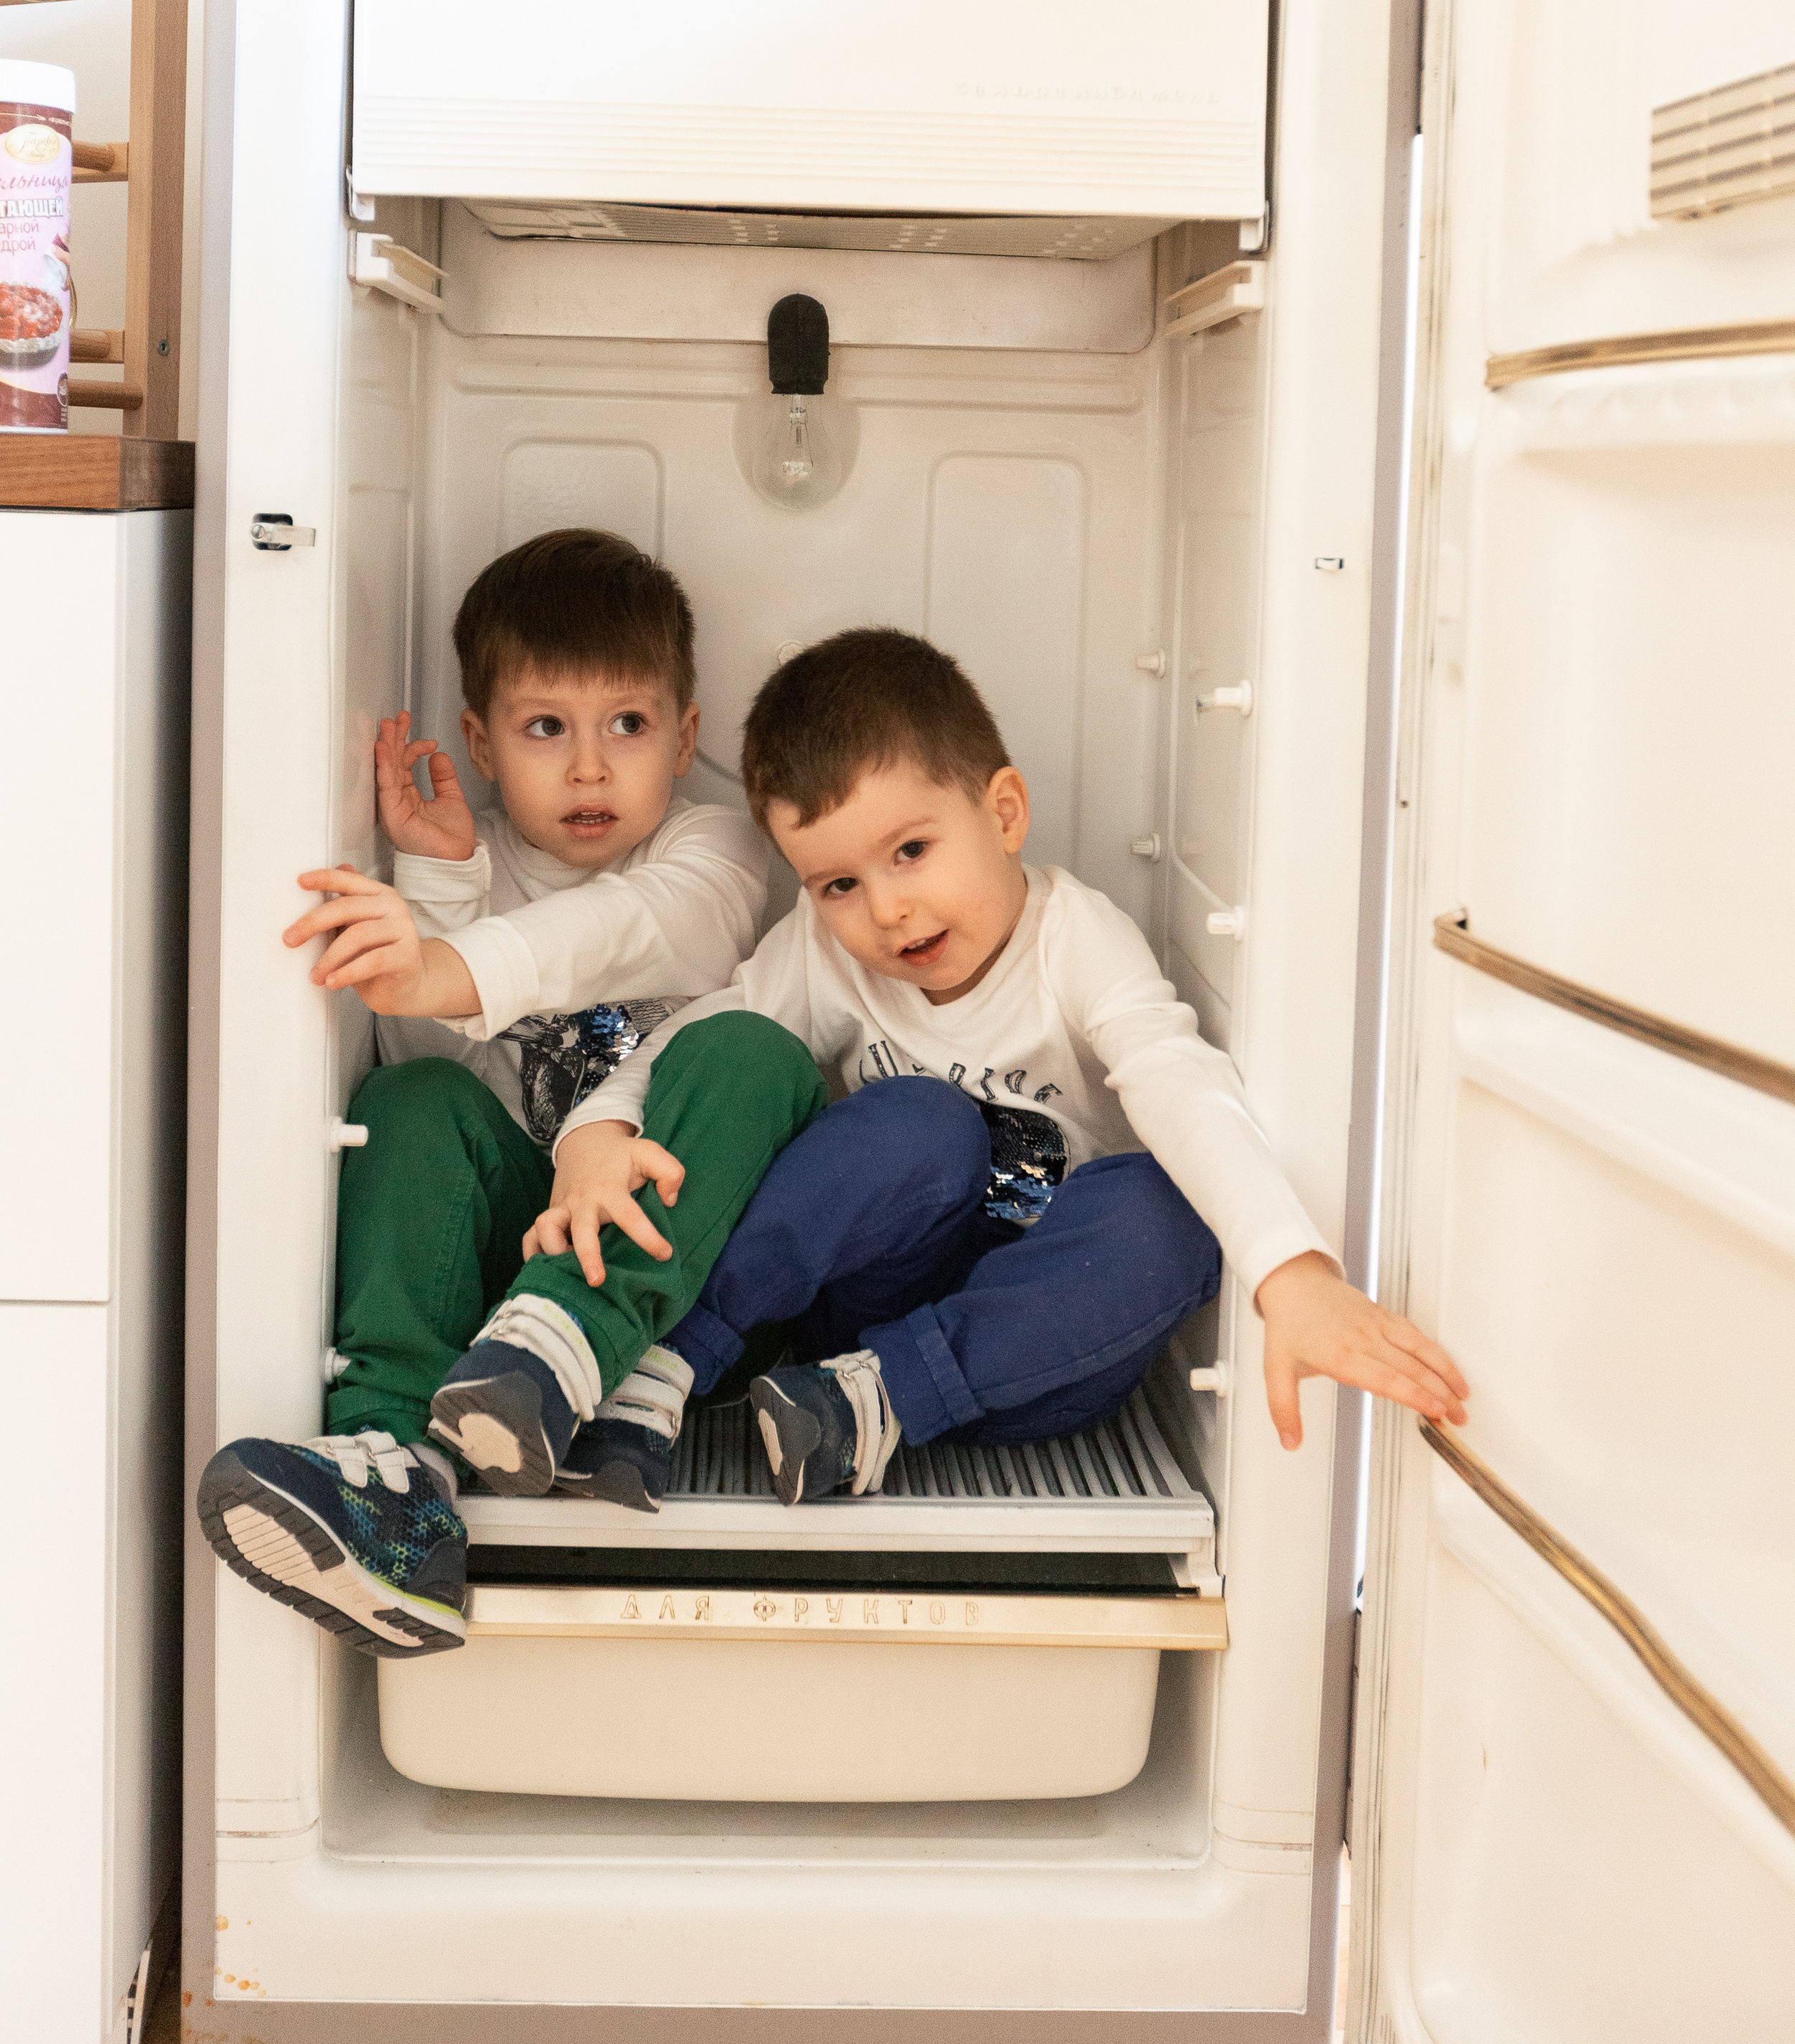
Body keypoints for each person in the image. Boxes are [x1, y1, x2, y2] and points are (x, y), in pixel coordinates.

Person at [548, 628, 1470, 1504]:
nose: (888, 909)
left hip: (1035, 1354)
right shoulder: (825, 955)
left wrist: (1291, 1273)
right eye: (839, 885)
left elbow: (1177, 1078)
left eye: (911, 851)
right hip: (852, 1318)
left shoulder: (1077, 940)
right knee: (915, 1124)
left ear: (1003, 813)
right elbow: (710, 1037)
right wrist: (597, 1130)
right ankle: (666, 1365)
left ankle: (877, 1406)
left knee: (1169, 1210)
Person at [196, 528, 796, 1658]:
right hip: (514, 1282)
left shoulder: (716, 847)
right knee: (414, 1098)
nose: (589, 768)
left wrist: (447, 956)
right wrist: (440, 881)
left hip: (673, 1271)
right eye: (543, 729)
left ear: (686, 737)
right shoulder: (477, 867)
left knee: (752, 1054)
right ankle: (393, 1482)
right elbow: (436, 1049)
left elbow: (622, 931)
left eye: (629, 725)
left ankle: (572, 1346)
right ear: (480, 740)